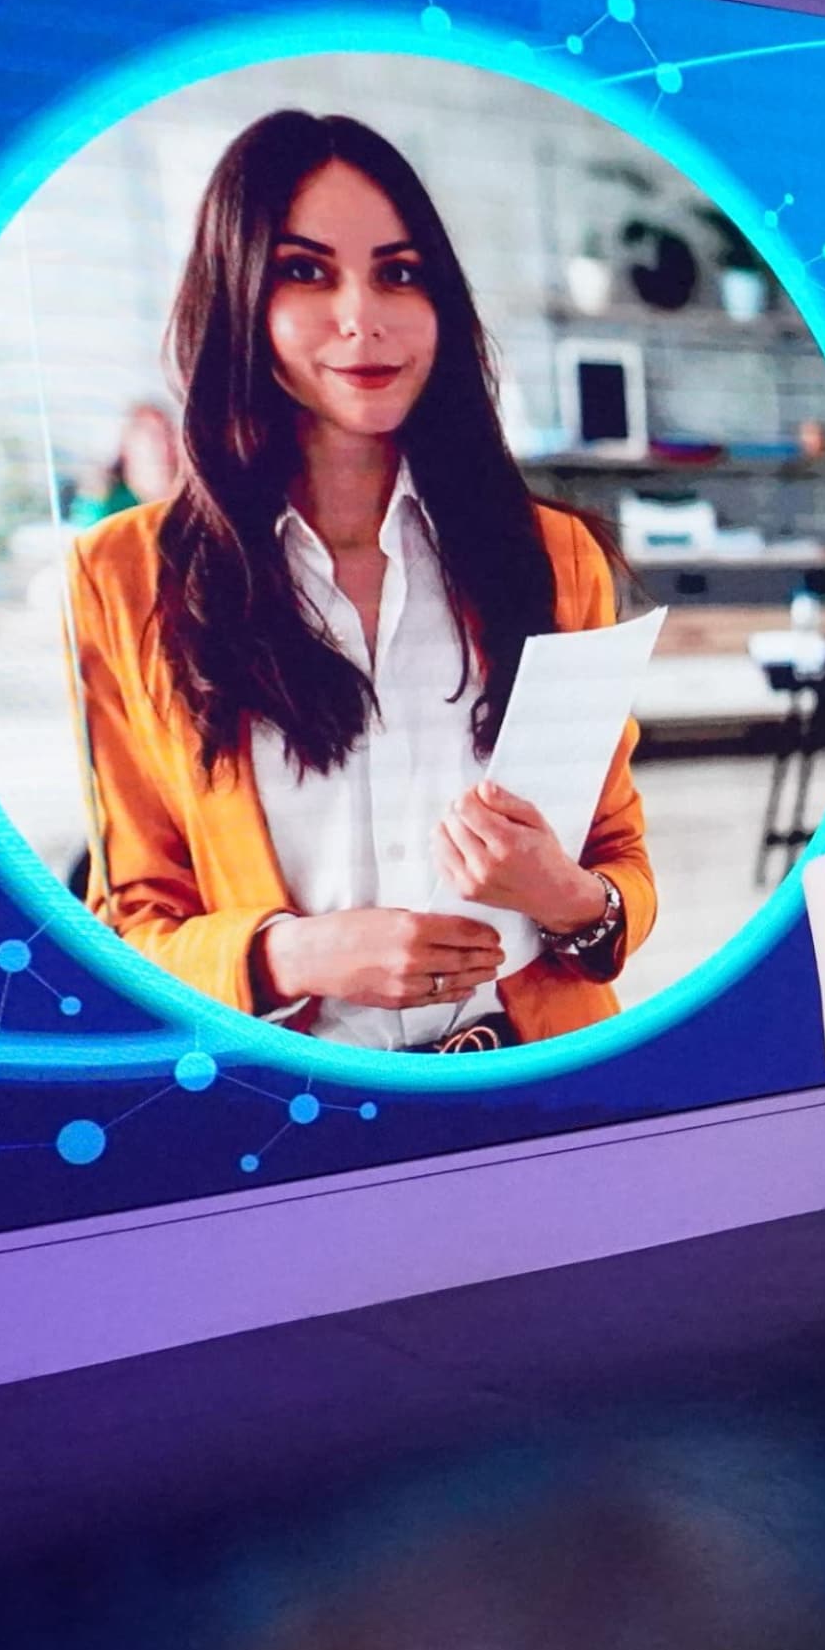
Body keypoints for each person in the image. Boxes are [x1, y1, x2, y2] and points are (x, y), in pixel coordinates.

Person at [62, 109, 651, 1050]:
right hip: (296, 1103)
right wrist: (290, 956)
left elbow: (615, 857)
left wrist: (567, 896)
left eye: (399, 272)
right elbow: (129, 919)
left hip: (532, 1072)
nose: (362, 316)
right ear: (237, 295)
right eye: (305, 271)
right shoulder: (124, 576)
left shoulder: (551, 556)